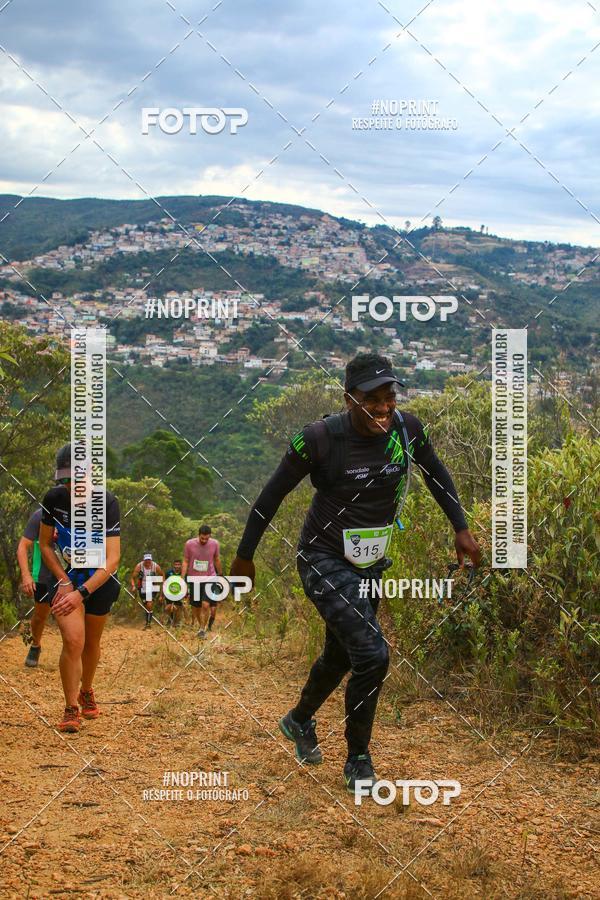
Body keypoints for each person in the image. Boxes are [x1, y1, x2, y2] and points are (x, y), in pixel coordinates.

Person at [231, 353, 481, 793]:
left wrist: (460, 526)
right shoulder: (320, 440)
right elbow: (269, 499)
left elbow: (437, 473)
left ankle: (299, 719)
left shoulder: (407, 430)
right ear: (349, 398)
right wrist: (245, 557)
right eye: (371, 400)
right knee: (373, 654)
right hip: (322, 557)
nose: (383, 408)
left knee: (344, 654)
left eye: (389, 398)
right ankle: (358, 760)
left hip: (369, 563)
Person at [39, 443, 121, 733]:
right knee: (73, 640)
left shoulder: (107, 501)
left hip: (98, 580)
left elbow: (113, 559)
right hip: (65, 577)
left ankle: (87, 689)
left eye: (76, 478)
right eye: (65, 479)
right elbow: (45, 545)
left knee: (91, 643)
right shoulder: (54, 499)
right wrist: (63, 580)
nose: (70, 485)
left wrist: (81, 592)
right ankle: (71, 707)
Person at [17, 509, 57, 667]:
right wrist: (26, 575)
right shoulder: (40, 515)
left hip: (71, 575)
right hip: (43, 575)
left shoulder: (80, 514)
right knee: (40, 615)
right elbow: (23, 546)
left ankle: (76, 657)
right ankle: (35, 645)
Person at [182, 525, 222, 638]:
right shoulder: (189, 544)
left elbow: (217, 559)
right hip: (194, 578)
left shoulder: (215, 544)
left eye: (206, 538)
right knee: (196, 607)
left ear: (210, 536)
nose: (204, 541)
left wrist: (220, 574)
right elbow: (185, 560)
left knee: (205, 605)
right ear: (198, 535)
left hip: (210, 577)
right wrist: (182, 577)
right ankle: (200, 627)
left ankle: (203, 629)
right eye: (202, 538)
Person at [131, 553, 164, 629]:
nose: (148, 562)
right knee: (146, 605)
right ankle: (147, 621)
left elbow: (162, 575)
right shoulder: (139, 566)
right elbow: (132, 577)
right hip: (142, 586)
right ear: (143, 560)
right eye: (146, 560)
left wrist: (161, 584)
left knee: (149, 604)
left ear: (151, 560)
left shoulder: (156, 566)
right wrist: (133, 586)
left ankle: (148, 623)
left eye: (149, 560)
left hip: (152, 585)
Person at [163, 559, 186, 626]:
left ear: (181, 565)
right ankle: (170, 619)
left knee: (178, 607)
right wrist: (162, 594)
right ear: (173, 565)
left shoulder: (183, 573)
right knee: (167, 608)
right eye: (176, 564)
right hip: (169, 593)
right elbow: (164, 583)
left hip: (179, 593)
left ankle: (177, 622)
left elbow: (185, 584)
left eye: (178, 565)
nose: (177, 566)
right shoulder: (168, 573)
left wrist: (186, 593)